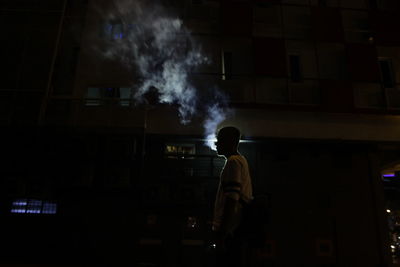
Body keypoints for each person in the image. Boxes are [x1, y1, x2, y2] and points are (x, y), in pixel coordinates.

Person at [212, 126, 253, 267]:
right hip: (237, 228)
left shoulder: (233, 162)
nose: (216, 144)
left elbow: (232, 199)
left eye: (219, 140)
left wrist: (222, 234)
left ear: (229, 142)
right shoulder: (242, 160)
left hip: (231, 230)